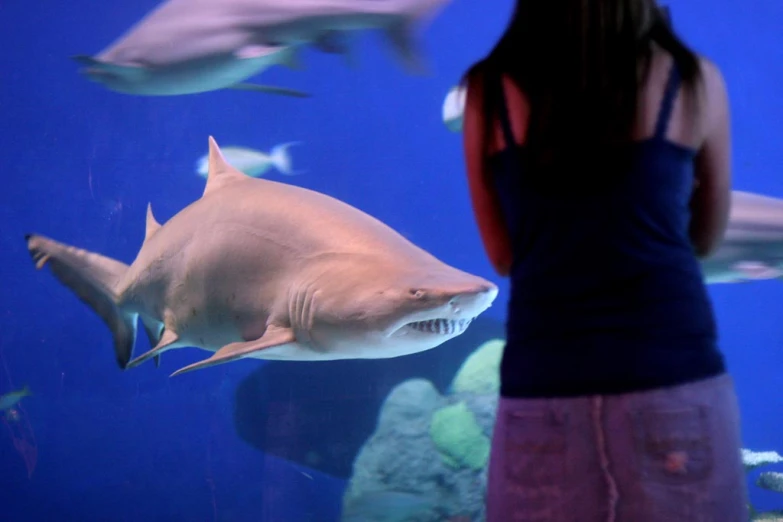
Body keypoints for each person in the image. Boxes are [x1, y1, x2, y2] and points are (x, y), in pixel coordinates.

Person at [460, 1, 748, 521]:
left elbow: (503, 256)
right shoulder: (692, 79)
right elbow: (704, 239)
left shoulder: (489, 87)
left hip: (544, 381)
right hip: (672, 372)